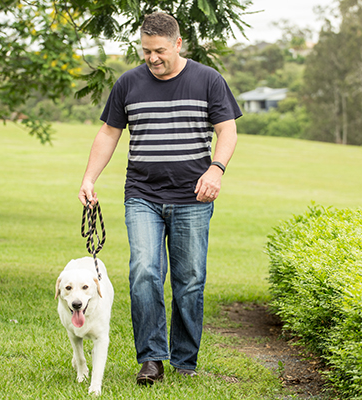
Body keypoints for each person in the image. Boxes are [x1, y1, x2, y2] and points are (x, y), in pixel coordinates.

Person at [78, 12, 241, 385]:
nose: (152, 58)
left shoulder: (207, 80)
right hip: (143, 195)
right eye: (146, 50)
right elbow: (108, 134)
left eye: (160, 51)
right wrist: (89, 178)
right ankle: (151, 359)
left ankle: (185, 359)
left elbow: (227, 130)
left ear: (178, 44)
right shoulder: (129, 83)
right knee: (144, 272)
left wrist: (216, 169)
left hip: (192, 196)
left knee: (190, 279)